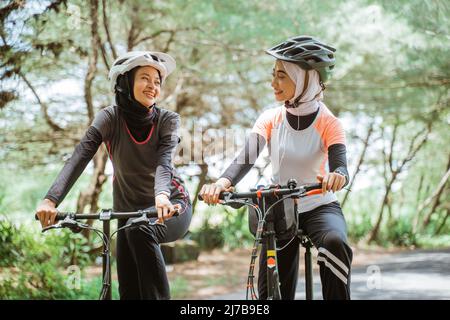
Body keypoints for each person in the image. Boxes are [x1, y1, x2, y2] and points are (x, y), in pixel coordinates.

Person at [199, 36, 353, 300]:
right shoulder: (271, 118)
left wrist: (337, 175)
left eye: (281, 76)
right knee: (271, 289)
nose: (273, 83)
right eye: (273, 75)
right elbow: (245, 158)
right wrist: (222, 183)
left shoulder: (330, 122)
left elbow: (340, 165)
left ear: (305, 79)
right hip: (280, 208)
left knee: (334, 244)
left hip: (320, 206)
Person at [35, 51, 191, 300]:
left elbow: (164, 162)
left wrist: (162, 196)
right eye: (144, 78)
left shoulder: (168, 120)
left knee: (141, 231)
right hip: (128, 215)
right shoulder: (110, 118)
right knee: (128, 289)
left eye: (157, 81)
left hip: (170, 205)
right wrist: (51, 200)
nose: (153, 86)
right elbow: (80, 156)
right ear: (125, 82)